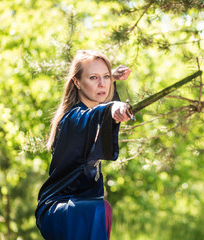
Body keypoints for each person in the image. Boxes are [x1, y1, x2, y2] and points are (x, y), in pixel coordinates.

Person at [35, 50, 131, 240]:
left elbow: (99, 113)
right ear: (77, 82)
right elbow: (92, 117)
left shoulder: (92, 113)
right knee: (98, 209)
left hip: (83, 206)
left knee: (104, 208)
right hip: (60, 208)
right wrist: (112, 108)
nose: (102, 84)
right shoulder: (74, 118)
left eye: (105, 77)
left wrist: (112, 78)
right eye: (93, 78)